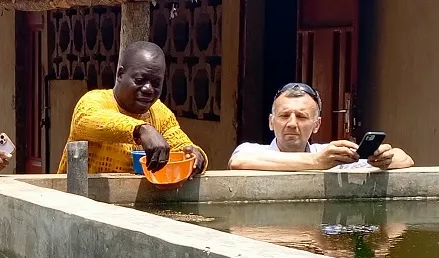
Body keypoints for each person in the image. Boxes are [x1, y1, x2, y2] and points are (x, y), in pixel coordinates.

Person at [57, 41, 206, 176]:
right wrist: (140, 130)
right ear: (120, 74)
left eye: (156, 83)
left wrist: (195, 156)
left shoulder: (159, 113)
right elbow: (87, 121)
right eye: (140, 80)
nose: (148, 89)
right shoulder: (94, 100)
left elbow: (180, 145)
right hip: (77, 196)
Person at [228, 83, 415, 171]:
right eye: (284, 116)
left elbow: (405, 158)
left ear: (316, 124)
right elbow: (238, 161)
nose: (292, 124)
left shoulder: (329, 155)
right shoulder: (253, 151)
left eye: (301, 116)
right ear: (271, 122)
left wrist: (383, 159)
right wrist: (317, 162)